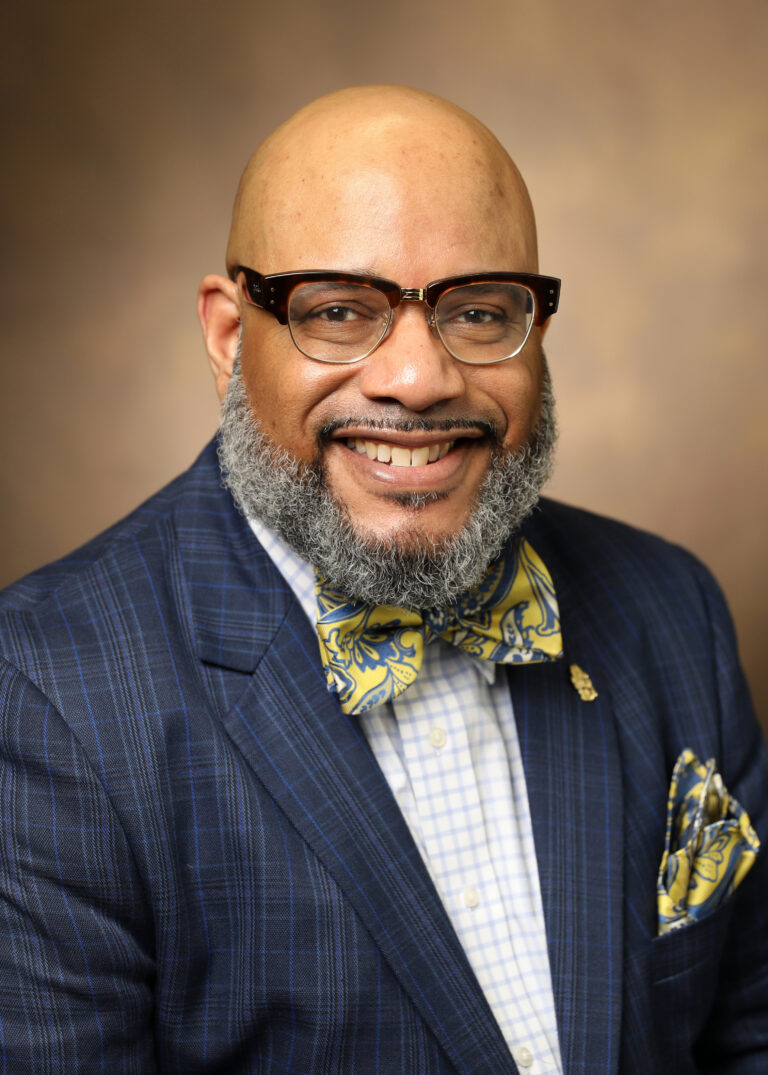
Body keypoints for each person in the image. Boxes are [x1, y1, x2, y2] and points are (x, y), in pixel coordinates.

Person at [0, 85, 765, 1074]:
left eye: (478, 311)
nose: (418, 379)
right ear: (229, 338)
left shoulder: (671, 608)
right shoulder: (47, 694)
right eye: (338, 311)